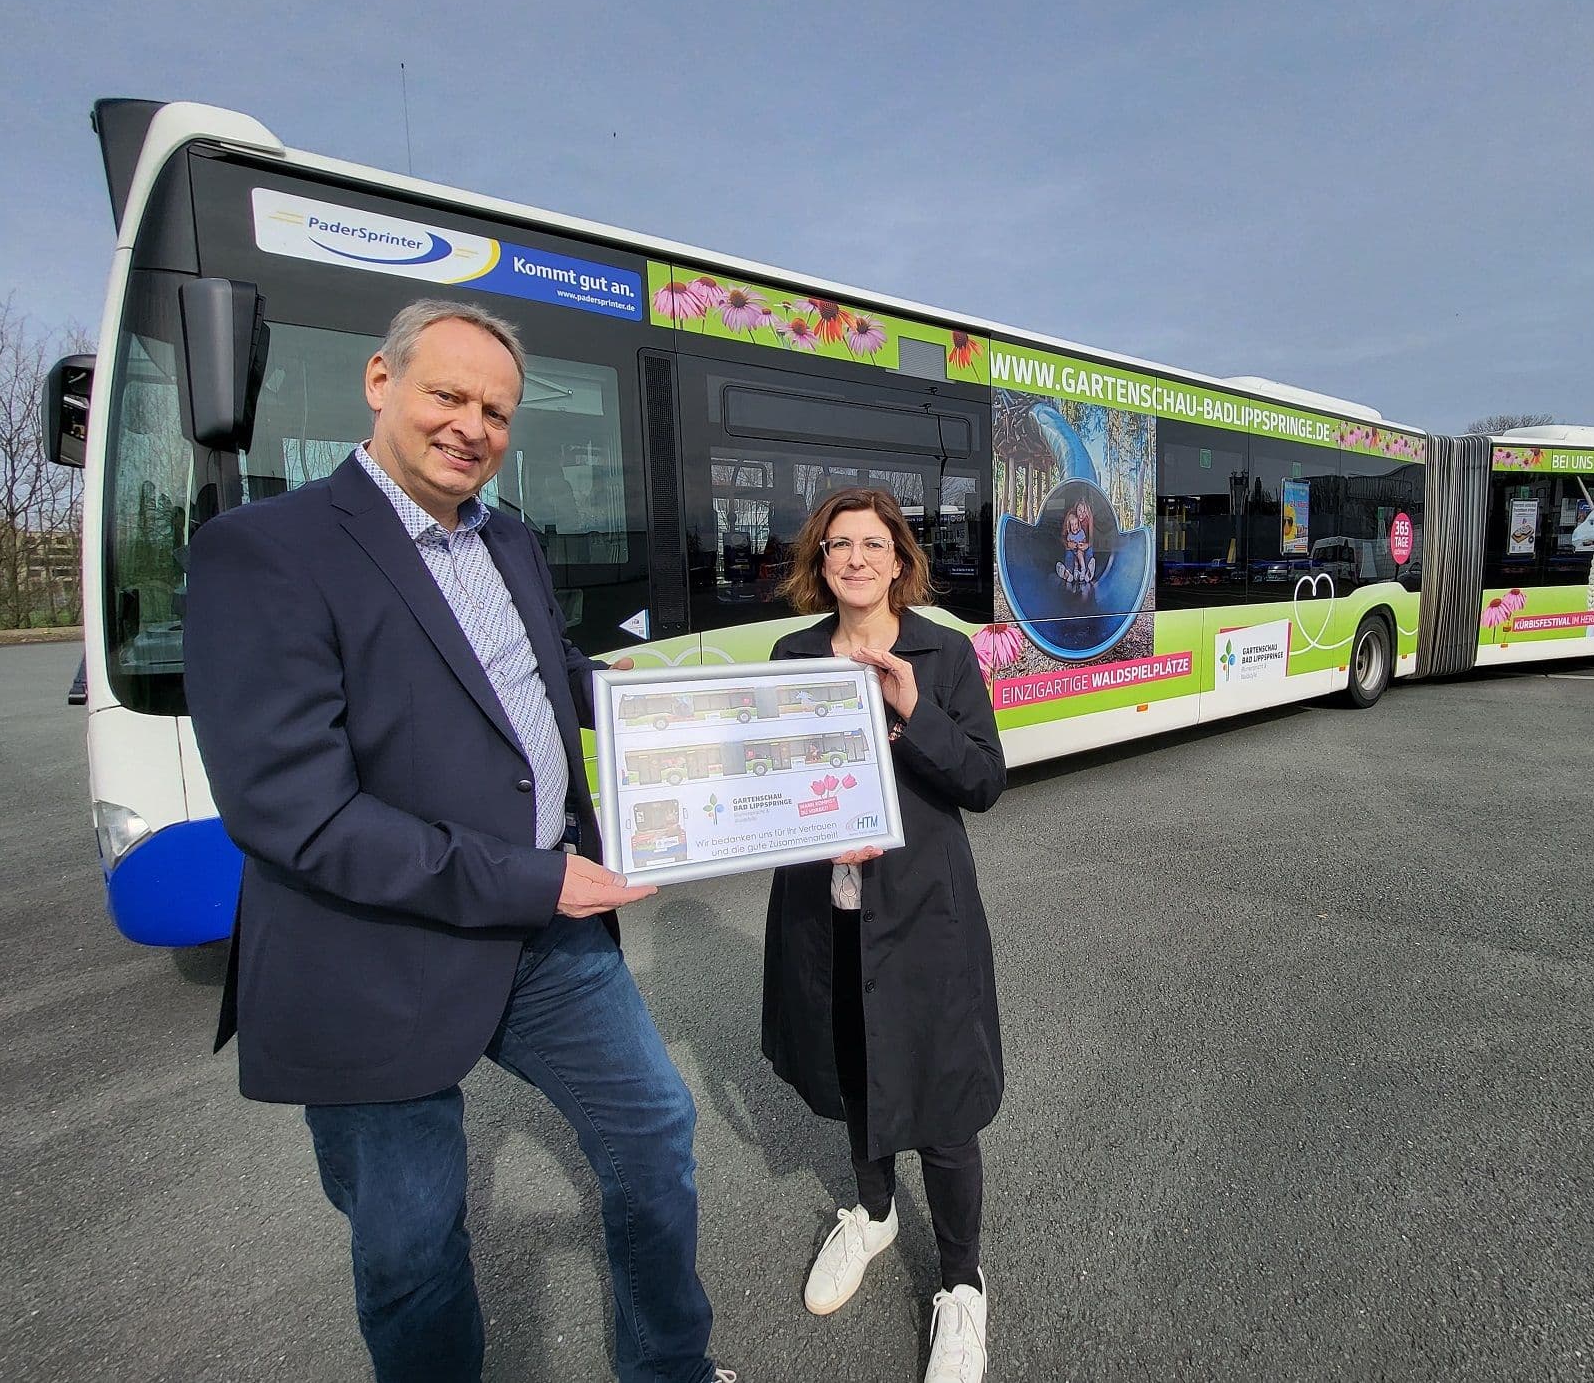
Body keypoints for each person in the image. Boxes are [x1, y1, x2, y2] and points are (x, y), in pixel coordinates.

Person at [183, 298, 733, 1383]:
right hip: (371, 952)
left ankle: (670, 1369)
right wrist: (537, 879)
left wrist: (681, 718)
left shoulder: (509, 538)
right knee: (410, 1246)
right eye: (448, 394)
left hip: (542, 943)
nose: (471, 427)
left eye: (496, 411)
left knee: (653, 1134)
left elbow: (540, 673)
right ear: (380, 382)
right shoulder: (266, 549)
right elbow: (299, 813)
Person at [763, 487, 1007, 1383]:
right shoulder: (793, 656)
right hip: (823, 910)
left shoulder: (943, 654)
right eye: (839, 545)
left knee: (942, 1105)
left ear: (900, 560)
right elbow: (766, 776)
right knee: (854, 1070)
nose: (855, 560)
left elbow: (984, 781)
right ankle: (872, 1214)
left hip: (922, 916)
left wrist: (912, 714)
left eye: (873, 545)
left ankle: (961, 1283)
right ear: (820, 562)